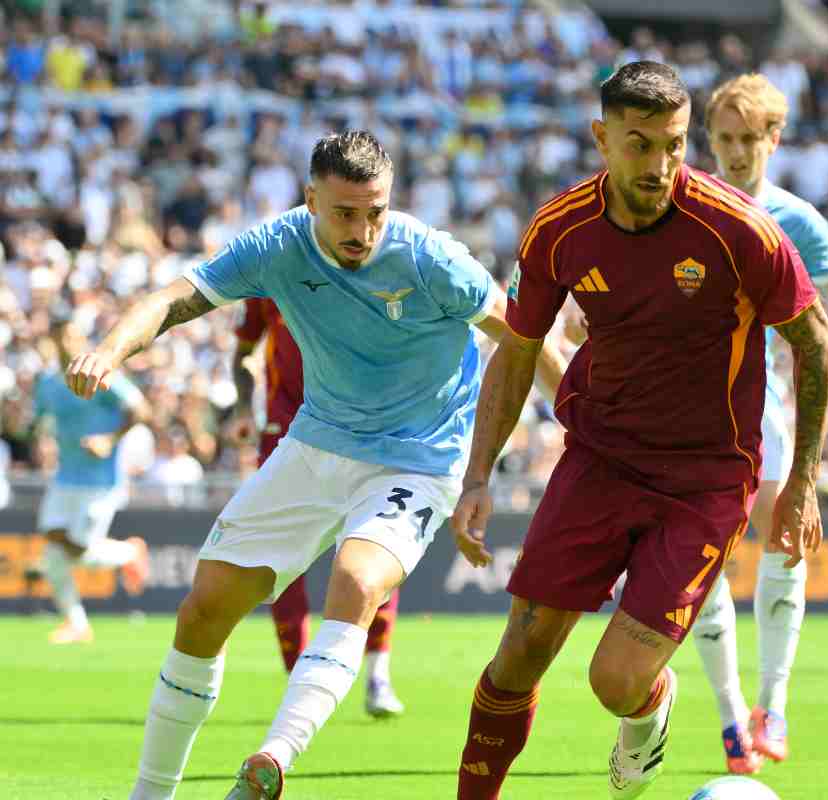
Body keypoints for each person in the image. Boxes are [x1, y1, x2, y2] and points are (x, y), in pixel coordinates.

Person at [65, 130, 563, 800]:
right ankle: (150, 793)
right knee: (204, 609)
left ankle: (272, 758)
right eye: (345, 213)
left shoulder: (431, 258)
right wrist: (108, 348)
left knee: (356, 583)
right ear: (310, 201)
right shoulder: (278, 245)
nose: (363, 231)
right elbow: (174, 298)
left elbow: (523, 338)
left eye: (376, 211)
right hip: (316, 444)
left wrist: (586, 414)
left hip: (418, 461)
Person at [451, 61, 828, 800]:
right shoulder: (559, 228)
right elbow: (518, 349)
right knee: (520, 651)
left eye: (675, 145)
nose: (660, 165)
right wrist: (477, 477)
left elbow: (814, 341)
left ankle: (649, 705)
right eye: (640, 144)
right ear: (602, 138)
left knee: (616, 679)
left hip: (707, 480)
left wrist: (804, 483)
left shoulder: (740, 230)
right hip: (599, 459)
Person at [698, 73, 828, 773]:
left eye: (750, 139)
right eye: (724, 139)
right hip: (685, 419)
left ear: (774, 140)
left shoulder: (795, 219)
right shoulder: (689, 206)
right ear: (708, 141)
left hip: (761, 414)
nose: (737, 152)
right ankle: (727, 713)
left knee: (785, 545)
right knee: (702, 564)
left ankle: (772, 703)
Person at [229, 297, 404, 717]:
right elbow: (243, 351)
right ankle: (299, 683)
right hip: (285, 436)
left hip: (363, 433)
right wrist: (241, 406)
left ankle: (378, 674)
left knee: (374, 549)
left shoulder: (368, 267)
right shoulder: (273, 267)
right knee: (282, 563)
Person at [32, 310, 151, 644]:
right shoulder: (47, 384)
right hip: (65, 477)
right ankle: (76, 623)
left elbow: (141, 410)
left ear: (81, 339)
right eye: (58, 338)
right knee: (55, 551)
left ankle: (130, 553)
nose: (65, 344)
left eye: (70, 337)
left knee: (78, 552)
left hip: (101, 481)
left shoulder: (101, 373)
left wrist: (109, 440)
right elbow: (37, 421)